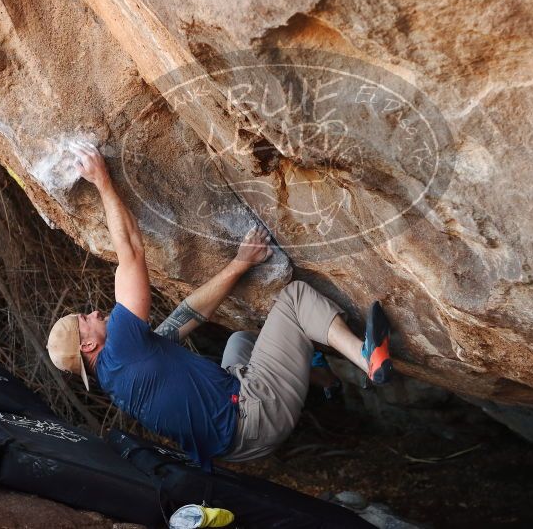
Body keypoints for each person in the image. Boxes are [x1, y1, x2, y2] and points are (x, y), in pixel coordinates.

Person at [47, 142, 394, 471]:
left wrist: (241, 263)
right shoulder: (121, 347)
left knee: (240, 342)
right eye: (84, 319)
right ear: (88, 345)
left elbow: (188, 315)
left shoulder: (118, 376)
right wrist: (103, 183)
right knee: (296, 299)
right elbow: (132, 251)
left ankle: (323, 378)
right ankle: (369, 360)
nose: (93, 312)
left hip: (238, 446)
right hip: (253, 417)